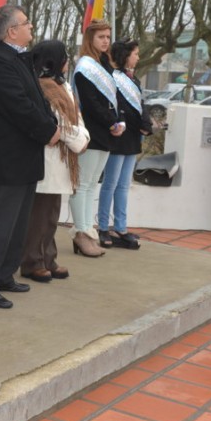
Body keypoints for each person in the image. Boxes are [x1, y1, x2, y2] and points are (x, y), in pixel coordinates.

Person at [0, 6, 59, 309]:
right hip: (5, 156)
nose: (31, 27)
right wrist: (48, 130)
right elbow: (18, 106)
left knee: (17, 223)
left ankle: (4, 275)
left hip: (23, 155)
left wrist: (50, 124)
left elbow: (37, 99)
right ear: (11, 31)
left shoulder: (16, 57)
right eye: (26, 23)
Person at [22, 40, 91, 279]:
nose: (67, 62)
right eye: (64, 57)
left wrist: (82, 135)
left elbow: (76, 118)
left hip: (62, 157)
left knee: (51, 216)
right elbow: (58, 124)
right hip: (48, 158)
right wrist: (80, 140)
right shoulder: (42, 87)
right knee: (39, 217)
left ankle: (49, 259)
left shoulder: (63, 86)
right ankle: (32, 262)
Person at [69, 19, 122, 253]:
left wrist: (117, 122)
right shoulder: (86, 67)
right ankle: (81, 232)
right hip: (91, 131)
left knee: (92, 185)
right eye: (101, 37)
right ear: (90, 39)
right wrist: (112, 122)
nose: (105, 41)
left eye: (108, 37)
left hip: (106, 132)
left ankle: (88, 230)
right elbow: (90, 103)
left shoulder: (105, 65)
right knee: (82, 185)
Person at [97, 39, 153, 250]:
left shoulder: (134, 80)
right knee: (110, 184)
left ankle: (120, 227)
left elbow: (140, 105)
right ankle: (103, 226)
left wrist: (146, 125)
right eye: (135, 53)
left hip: (133, 138)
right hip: (118, 135)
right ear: (125, 55)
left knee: (123, 185)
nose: (138, 57)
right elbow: (116, 107)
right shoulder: (113, 78)